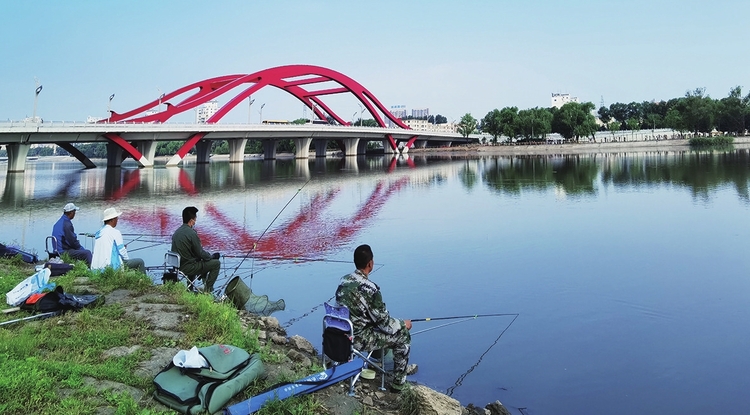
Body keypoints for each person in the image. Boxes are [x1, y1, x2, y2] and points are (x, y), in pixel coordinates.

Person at [335, 244, 415, 392]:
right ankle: (398, 385)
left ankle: (376, 363)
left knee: (379, 329)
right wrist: (403, 324)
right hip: (357, 339)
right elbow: (385, 324)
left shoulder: (343, 281)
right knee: (403, 336)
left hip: (338, 334)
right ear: (370, 264)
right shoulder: (371, 289)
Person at [171, 206, 220, 293]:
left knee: (198, 261)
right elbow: (200, 253)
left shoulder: (176, 232)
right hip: (187, 267)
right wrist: (211, 257)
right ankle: (207, 291)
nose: (195, 222)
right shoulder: (192, 233)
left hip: (177, 267)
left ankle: (190, 288)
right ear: (191, 221)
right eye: (195, 220)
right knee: (216, 264)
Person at [91, 207, 145, 273]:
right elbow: (122, 252)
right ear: (112, 220)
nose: (117, 220)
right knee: (140, 262)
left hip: (95, 269)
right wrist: (127, 260)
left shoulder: (99, 233)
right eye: (116, 218)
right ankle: (144, 282)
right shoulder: (115, 232)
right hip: (110, 268)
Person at [51, 202, 92, 266]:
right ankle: (92, 271)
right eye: (74, 212)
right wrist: (82, 249)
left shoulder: (58, 223)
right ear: (71, 212)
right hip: (63, 252)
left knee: (80, 251)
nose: (75, 214)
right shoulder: (67, 225)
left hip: (56, 250)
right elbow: (72, 242)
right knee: (87, 253)